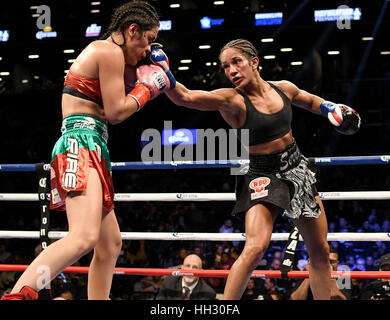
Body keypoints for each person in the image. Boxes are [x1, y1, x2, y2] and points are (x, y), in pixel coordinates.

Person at [147, 38, 361, 299]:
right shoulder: (232, 100)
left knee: (320, 251)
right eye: (225, 66)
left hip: (296, 168)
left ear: (254, 62)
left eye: (236, 62)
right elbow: (185, 97)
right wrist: (162, 69)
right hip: (263, 174)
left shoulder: (284, 89)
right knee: (255, 248)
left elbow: (313, 102)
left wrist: (333, 108)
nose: (231, 70)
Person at [1, 1, 172, 300]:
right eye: (147, 41)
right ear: (132, 30)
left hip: (92, 143)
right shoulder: (106, 51)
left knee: (110, 245)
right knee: (84, 236)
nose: (148, 49)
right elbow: (118, 112)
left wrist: (151, 75)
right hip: (80, 142)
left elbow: (120, 97)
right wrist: (148, 88)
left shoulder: (111, 56)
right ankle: (17, 295)